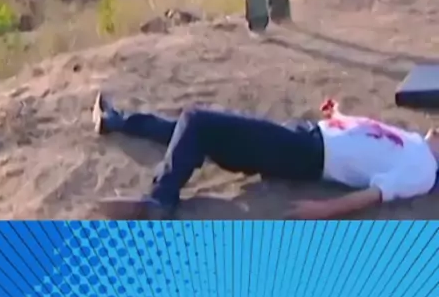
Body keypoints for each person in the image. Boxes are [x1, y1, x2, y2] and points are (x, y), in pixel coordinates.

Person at [92, 93, 439, 221]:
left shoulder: (423, 170)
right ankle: (116, 122)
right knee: (196, 133)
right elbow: (371, 138)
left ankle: (160, 199)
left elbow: (374, 194)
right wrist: (339, 115)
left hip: (305, 154)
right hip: (307, 136)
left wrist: (323, 210)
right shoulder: (415, 143)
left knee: (196, 120)